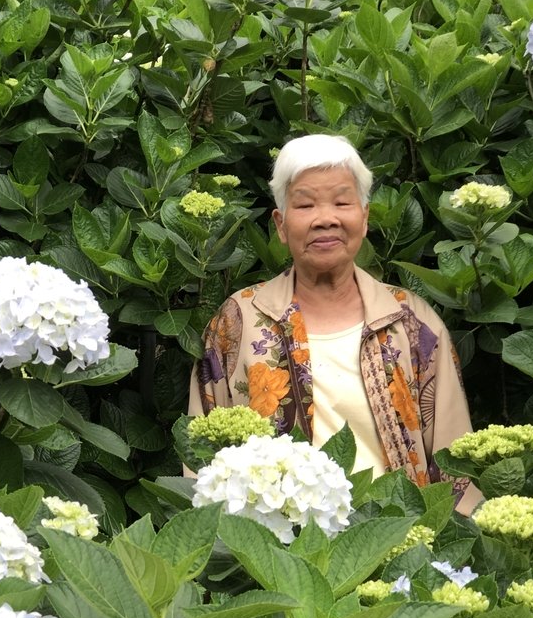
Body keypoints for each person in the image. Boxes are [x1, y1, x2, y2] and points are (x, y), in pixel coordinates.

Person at [188, 133, 480, 514]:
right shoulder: (238, 319)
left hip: (399, 540)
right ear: (280, 224)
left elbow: (455, 459)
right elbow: (202, 453)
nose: (325, 218)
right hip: (273, 547)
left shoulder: (412, 321)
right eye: (305, 204)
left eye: (342, 202)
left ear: (364, 217)